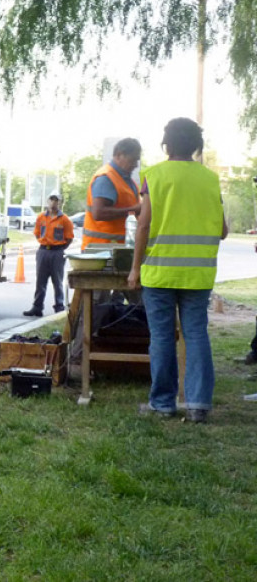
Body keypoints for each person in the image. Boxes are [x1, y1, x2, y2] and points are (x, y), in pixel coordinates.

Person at [128, 118, 227, 423]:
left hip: (160, 272)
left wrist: (134, 269)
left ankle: (163, 404)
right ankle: (198, 405)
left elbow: (143, 225)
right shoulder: (210, 179)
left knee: (161, 336)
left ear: (166, 144)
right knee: (196, 334)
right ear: (197, 146)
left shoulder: (154, 176)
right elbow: (223, 230)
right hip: (198, 274)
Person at [82, 138, 142, 250]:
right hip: (101, 249)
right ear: (119, 155)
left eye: (137, 160)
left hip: (117, 248)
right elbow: (99, 213)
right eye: (132, 160)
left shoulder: (127, 181)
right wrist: (134, 210)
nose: (135, 165)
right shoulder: (106, 178)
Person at [23, 192, 74, 317]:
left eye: (56, 200)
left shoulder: (64, 220)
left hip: (57, 252)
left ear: (60, 202)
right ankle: (37, 307)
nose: (53, 202)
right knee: (40, 281)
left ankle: (59, 306)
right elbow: (36, 233)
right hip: (43, 251)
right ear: (47, 201)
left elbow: (69, 238)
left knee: (57, 281)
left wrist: (60, 248)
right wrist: (44, 244)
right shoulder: (41, 217)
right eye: (51, 200)